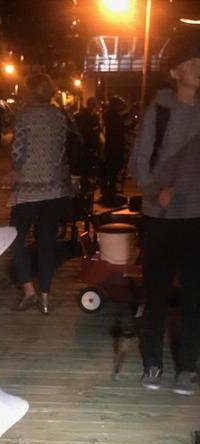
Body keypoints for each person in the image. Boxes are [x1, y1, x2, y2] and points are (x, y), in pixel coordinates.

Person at [129, 31, 200, 395]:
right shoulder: (159, 110)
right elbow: (138, 162)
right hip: (160, 217)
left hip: (196, 218)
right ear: (174, 72)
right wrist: (157, 191)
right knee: (155, 294)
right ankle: (153, 363)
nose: (198, 68)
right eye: (191, 62)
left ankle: (188, 367)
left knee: (194, 297)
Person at [8, 73, 73, 314]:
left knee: (15, 238)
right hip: (54, 190)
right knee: (47, 244)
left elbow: (18, 152)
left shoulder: (24, 117)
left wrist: (15, 169)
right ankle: (45, 296)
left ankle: (28, 290)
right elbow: (61, 150)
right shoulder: (58, 116)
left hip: (27, 190)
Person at [74, 97, 101, 194]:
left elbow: (96, 132)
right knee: (83, 172)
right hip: (82, 148)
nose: (94, 107)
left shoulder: (94, 117)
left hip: (90, 148)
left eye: (95, 104)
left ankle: (86, 192)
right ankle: (82, 193)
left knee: (88, 172)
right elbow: (80, 131)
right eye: (92, 104)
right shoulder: (81, 116)